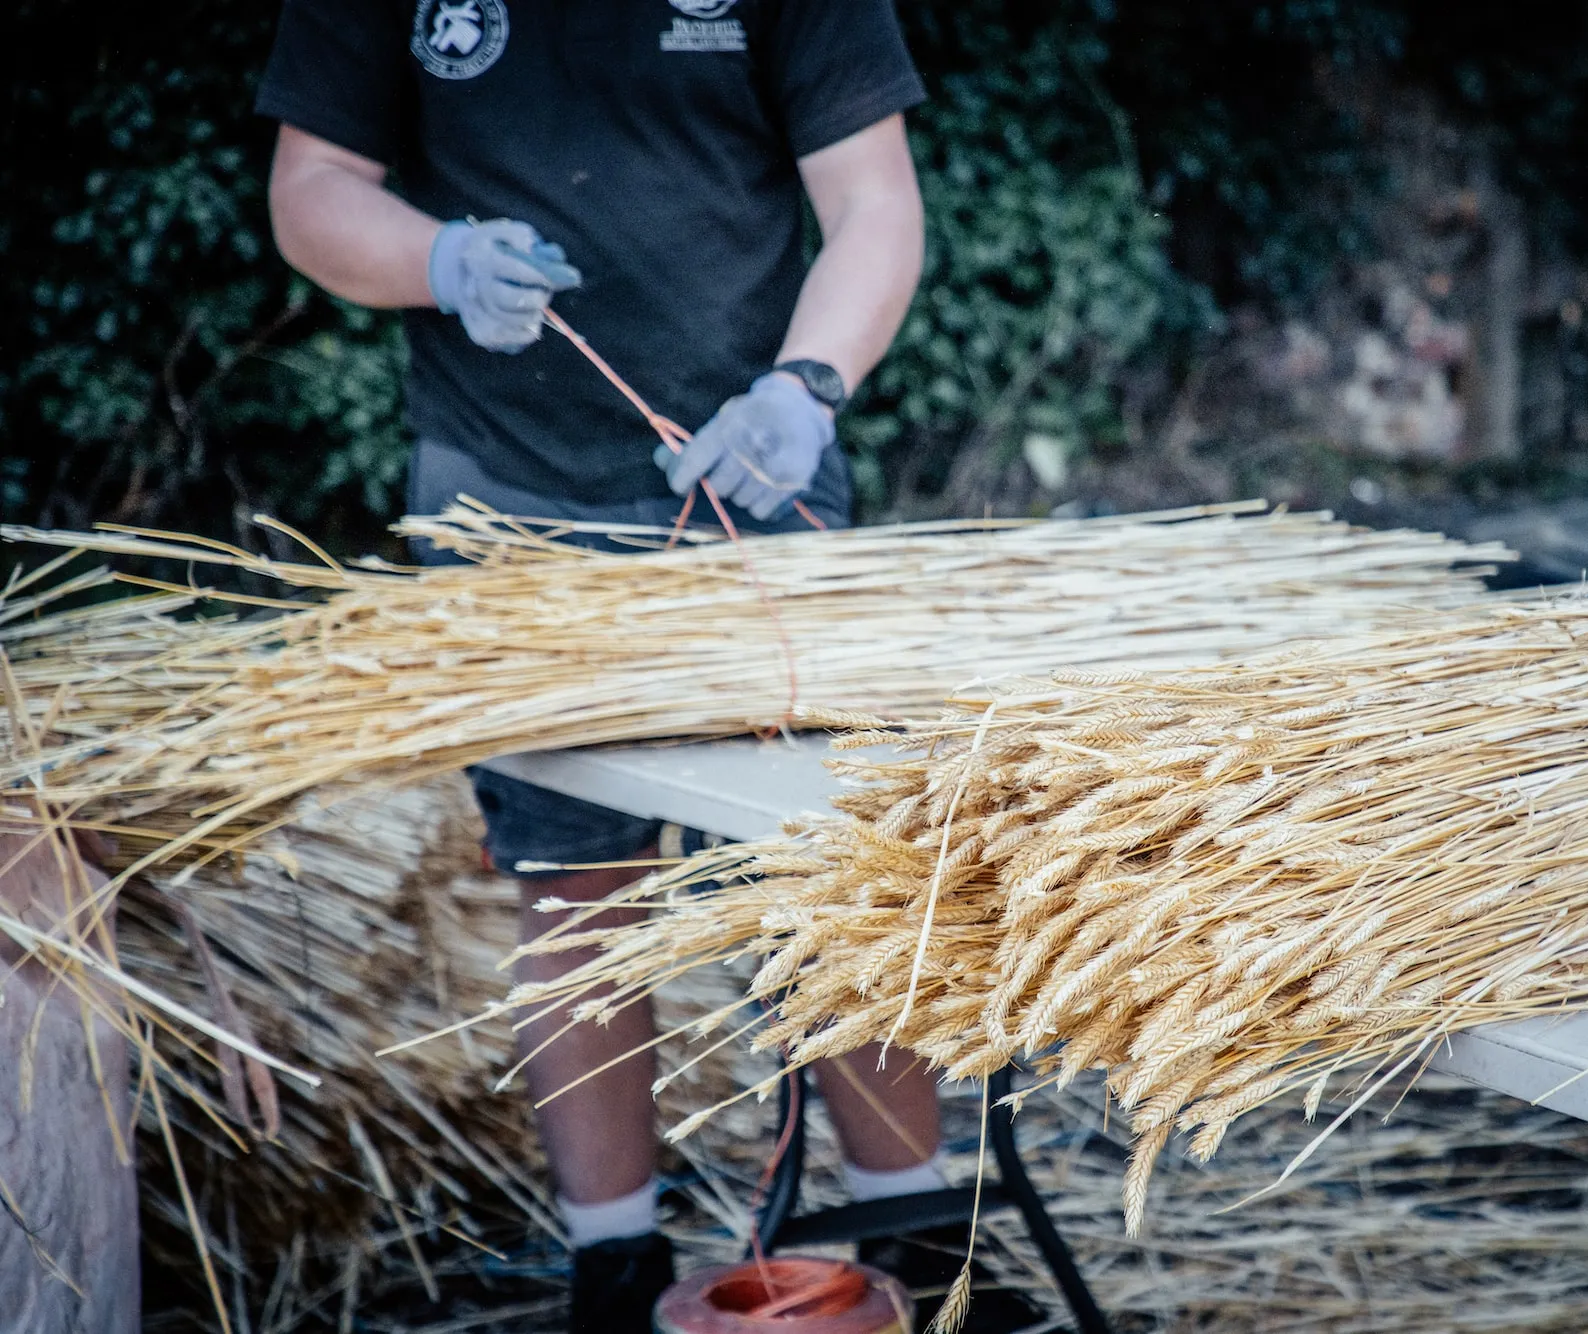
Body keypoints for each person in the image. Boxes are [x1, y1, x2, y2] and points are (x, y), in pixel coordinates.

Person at [255, 4, 1038, 1330]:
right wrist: (436, 259)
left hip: (755, 481)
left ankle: (913, 1236)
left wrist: (808, 385)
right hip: (507, 507)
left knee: (830, 871)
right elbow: (311, 190)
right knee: (572, 881)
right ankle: (613, 1263)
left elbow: (873, 206)